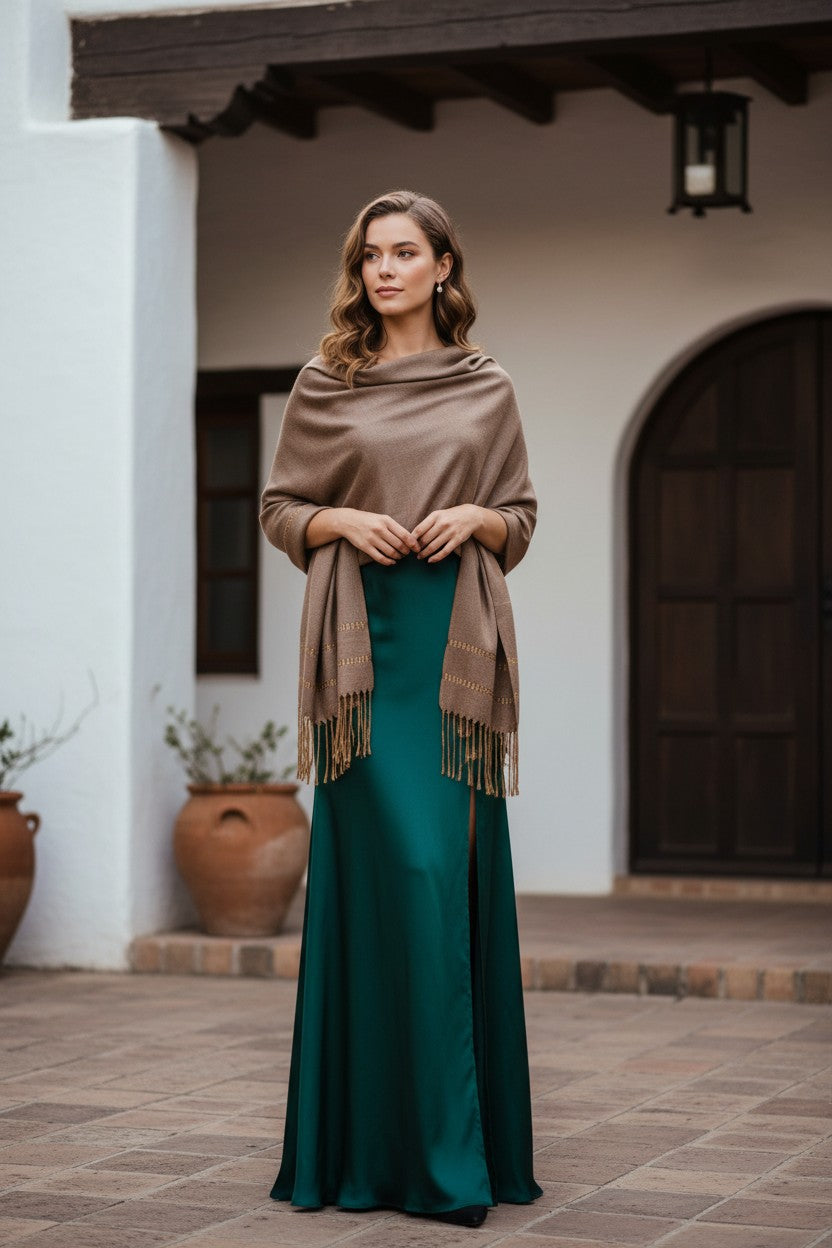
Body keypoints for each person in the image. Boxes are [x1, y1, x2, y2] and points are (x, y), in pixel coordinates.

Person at [259, 189, 542, 1228]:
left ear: (442, 268)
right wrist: (339, 518)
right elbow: (279, 508)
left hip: (452, 657)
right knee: (384, 888)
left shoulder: (486, 386)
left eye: (404, 252)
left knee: (437, 880)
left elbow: (520, 514)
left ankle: (452, 1156)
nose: (383, 270)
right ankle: (365, 1155)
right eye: (370, 255)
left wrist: (477, 514)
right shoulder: (324, 383)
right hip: (359, 663)